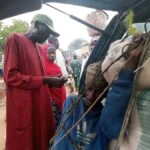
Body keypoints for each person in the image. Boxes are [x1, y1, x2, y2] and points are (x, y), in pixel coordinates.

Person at [51, 49, 141, 150]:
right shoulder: (72, 102)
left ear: (105, 93)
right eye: (89, 89)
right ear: (85, 86)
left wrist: (126, 75)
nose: (91, 96)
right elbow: (64, 138)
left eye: (98, 92)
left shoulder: (104, 115)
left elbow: (112, 129)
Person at [4, 14, 67, 150]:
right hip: (24, 106)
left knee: (41, 140)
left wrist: (52, 81)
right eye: (46, 31)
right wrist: (44, 80)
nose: (47, 37)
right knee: (24, 141)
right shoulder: (15, 39)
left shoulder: (39, 48)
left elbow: (38, 78)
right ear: (36, 24)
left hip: (39, 104)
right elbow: (10, 76)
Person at [42, 46, 67, 128]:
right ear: (44, 54)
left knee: (61, 120)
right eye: (49, 53)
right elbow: (42, 81)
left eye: (54, 53)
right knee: (54, 122)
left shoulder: (57, 67)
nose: (52, 55)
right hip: (51, 99)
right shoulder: (42, 68)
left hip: (61, 97)